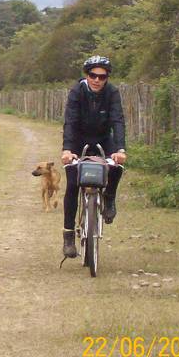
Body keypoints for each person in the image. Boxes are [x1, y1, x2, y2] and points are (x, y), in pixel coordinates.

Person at [60, 55, 127, 258]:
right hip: (78, 139)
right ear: (86, 75)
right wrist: (67, 149)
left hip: (104, 138)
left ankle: (109, 197)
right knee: (72, 183)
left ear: (107, 78)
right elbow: (70, 120)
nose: (97, 80)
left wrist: (120, 149)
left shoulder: (112, 92)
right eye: (93, 75)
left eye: (102, 76)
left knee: (116, 166)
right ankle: (69, 235)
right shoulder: (77, 91)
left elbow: (118, 120)